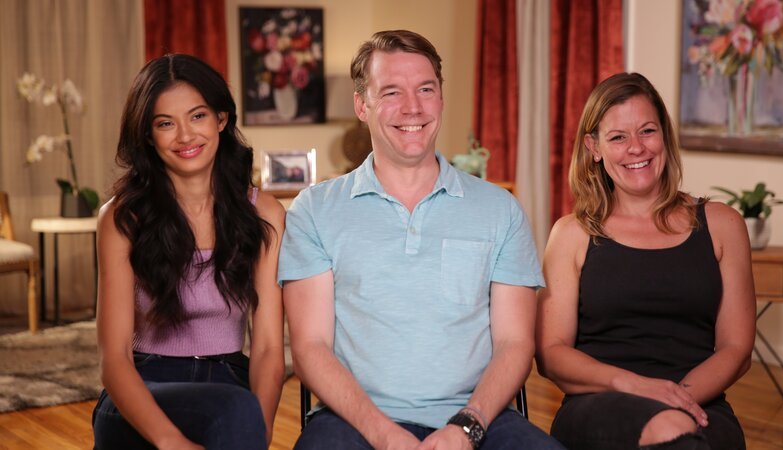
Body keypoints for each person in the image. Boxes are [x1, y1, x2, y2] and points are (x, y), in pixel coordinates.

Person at [278, 30, 564, 450]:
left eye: (426, 89)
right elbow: (310, 347)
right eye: (391, 91)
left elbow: (515, 343)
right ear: (361, 105)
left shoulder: (500, 209)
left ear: (441, 99)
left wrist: (467, 426)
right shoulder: (314, 210)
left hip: (477, 417)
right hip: (352, 420)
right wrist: (384, 435)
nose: (412, 107)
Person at [535, 72, 755, 449]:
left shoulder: (724, 225)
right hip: (598, 402)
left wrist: (676, 398)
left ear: (664, 135)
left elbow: (737, 349)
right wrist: (635, 386)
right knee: (671, 431)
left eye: (647, 131)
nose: (636, 148)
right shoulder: (571, 234)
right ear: (594, 147)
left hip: (700, 402)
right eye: (618, 137)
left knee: (678, 429)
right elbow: (551, 354)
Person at [91, 54, 286, 449]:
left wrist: (260, 432)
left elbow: (267, 348)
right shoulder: (122, 218)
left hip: (229, 384)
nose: (185, 136)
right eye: (165, 123)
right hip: (142, 387)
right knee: (234, 411)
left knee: (236, 411)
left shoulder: (264, 214)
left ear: (221, 119)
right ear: (148, 136)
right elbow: (114, 360)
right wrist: (171, 443)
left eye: (197, 116)